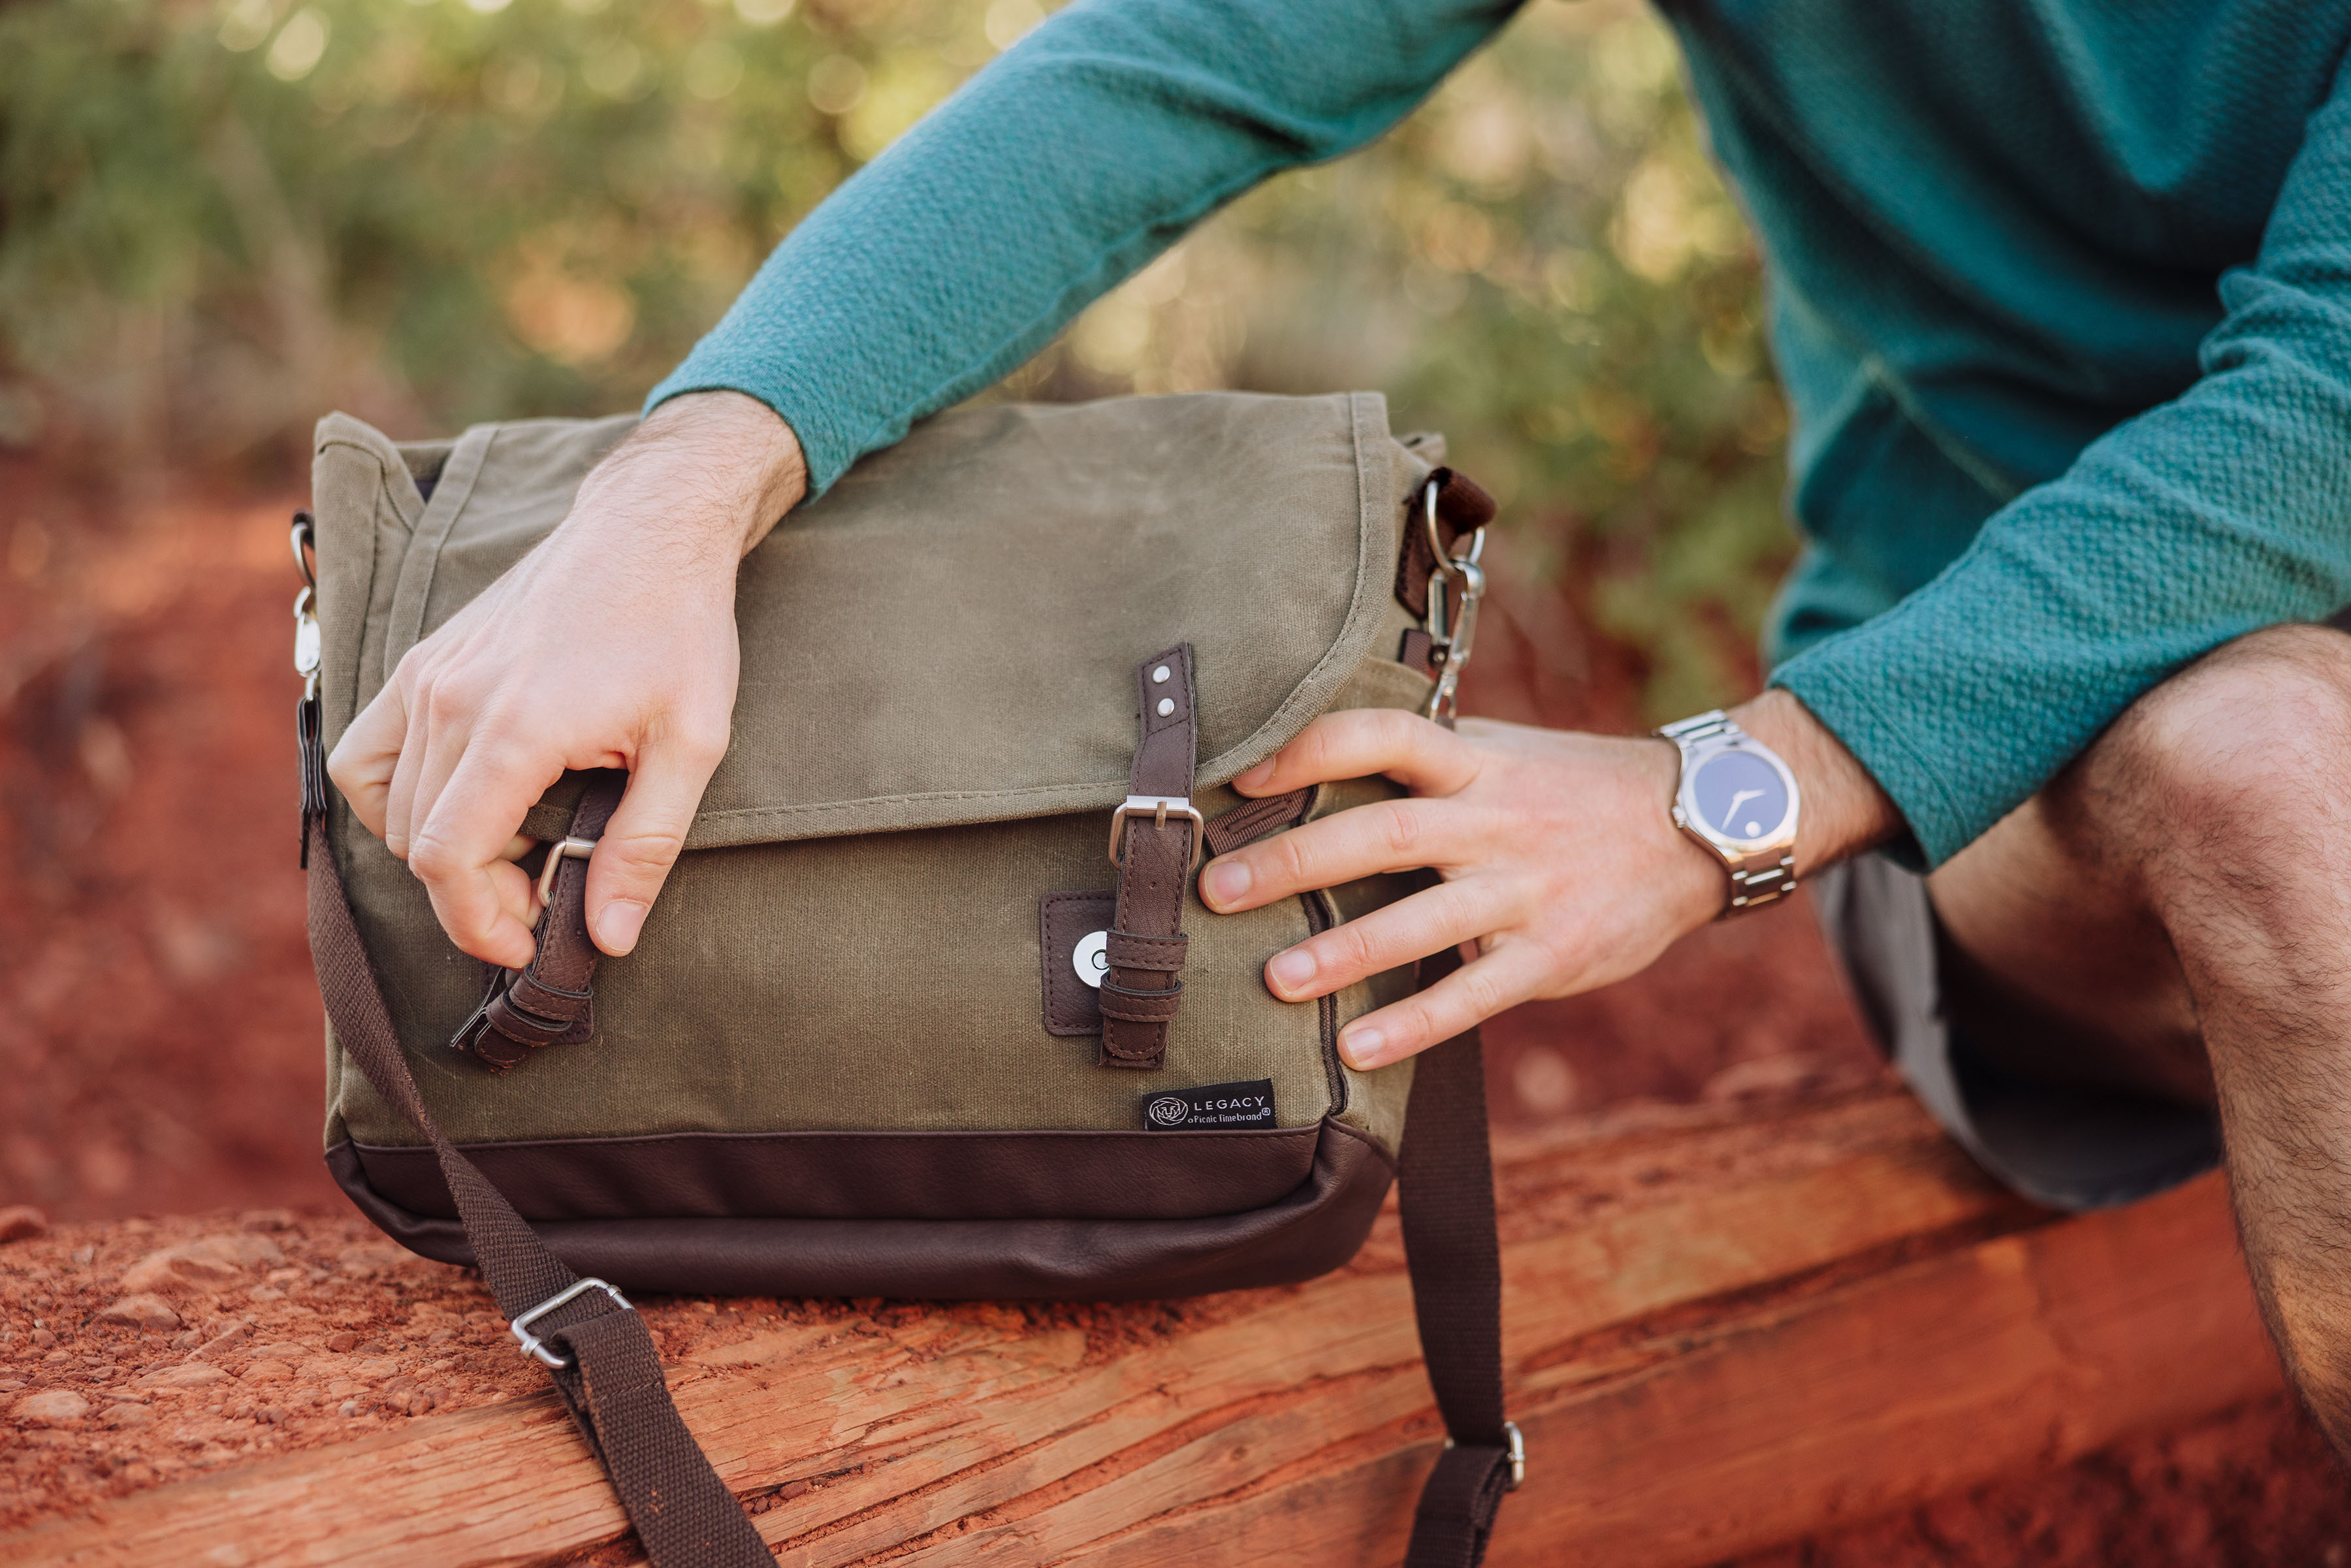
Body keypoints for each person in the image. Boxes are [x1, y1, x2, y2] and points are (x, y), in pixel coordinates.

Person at [328, 0, 2351, 1454]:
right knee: (2264, 767)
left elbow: (2322, 400)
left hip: (1982, 706)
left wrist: (1710, 795)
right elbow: (1166, 73)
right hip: (2036, 787)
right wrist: (673, 495)